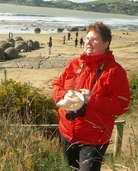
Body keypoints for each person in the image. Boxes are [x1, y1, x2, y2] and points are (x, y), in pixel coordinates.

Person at [52, 22, 131, 171]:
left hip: (94, 139)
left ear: (106, 43)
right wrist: (65, 94)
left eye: (94, 39)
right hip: (67, 133)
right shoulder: (74, 64)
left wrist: (93, 99)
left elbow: (122, 105)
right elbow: (56, 86)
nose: (88, 42)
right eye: (87, 38)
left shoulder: (115, 71)